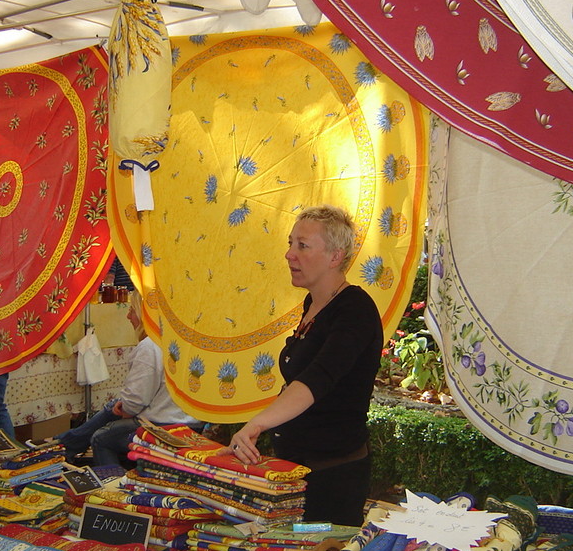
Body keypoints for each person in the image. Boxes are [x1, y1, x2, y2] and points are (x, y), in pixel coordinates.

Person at [227, 205, 383, 526]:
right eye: (290, 243)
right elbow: (296, 381)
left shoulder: (354, 309)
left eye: (302, 245)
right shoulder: (313, 303)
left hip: (331, 478)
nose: (289, 254)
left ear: (335, 256)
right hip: (295, 469)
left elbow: (316, 379)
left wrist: (257, 424)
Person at [56, 292, 200, 466]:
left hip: (161, 426)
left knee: (101, 438)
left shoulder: (151, 346)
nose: (128, 316)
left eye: (132, 310)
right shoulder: (190, 341)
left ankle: (111, 485)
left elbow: (135, 402)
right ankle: (64, 445)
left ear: (144, 314)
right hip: (193, 424)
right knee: (114, 408)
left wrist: (125, 407)